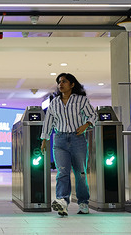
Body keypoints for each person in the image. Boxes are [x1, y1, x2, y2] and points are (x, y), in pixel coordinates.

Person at [40, 73, 97, 216]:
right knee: (62, 173)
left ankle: (83, 202)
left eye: (64, 81)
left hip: (77, 139)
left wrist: (86, 125)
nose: (60, 84)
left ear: (72, 84)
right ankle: (62, 202)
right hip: (59, 140)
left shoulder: (81, 100)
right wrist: (44, 140)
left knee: (80, 173)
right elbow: (48, 122)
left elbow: (93, 115)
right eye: (59, 82)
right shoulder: (54, 102)